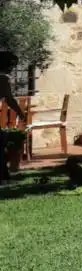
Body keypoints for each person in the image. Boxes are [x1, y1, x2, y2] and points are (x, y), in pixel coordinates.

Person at [0, 51, 26, 181]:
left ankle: (4, 176)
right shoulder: (2, 79)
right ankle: (4, 176)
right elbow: (9, 99)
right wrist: (21, 113)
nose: (12, 68)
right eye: (11, 65)